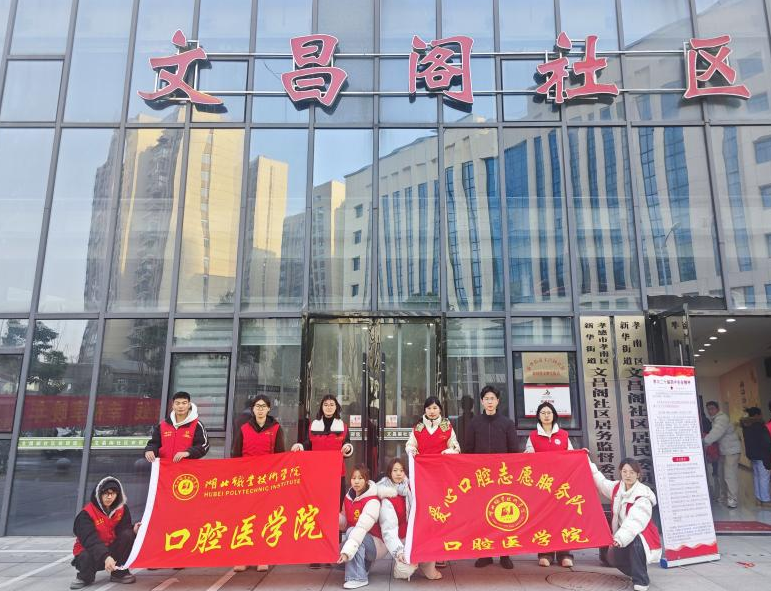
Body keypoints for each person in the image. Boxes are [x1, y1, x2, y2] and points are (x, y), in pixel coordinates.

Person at [464, 385, 517, 569]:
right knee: (482, 515)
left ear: (498, 401)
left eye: (492, 398)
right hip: (481, 478)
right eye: (486, 398)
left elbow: (514, 451)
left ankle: (505, 554)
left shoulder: (507, 423)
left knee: (504, 514)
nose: (489, 402)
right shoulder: (474, 423)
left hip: (502, 477)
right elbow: (468, 449)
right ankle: (485, 554)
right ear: (481, 401)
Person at [231, 395, 285, 572]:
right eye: (257, 406)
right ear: (252, 409)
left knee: (264, 519)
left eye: (263, 406)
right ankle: (244, 557)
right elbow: (236, 454)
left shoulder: (276, 428)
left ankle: (262, 556)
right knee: (245, 519)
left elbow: (280, 455)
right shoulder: (244, 428)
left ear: (269, 409)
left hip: (267, 482)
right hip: (247, 481)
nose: (260, 409)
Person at [590, 458, 661, 591]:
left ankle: (641, 579)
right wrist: (585, 459)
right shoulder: (618, 487)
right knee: (611, 557)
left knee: (635, 540)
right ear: (620, 472)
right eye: (625, 471)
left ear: (638, 474)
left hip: (639, 536)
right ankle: (630, 568)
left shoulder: (643, 496)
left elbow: (635, 521)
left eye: (632, 472)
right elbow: (600, 482)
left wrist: (619, 539)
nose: (628, 475)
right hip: (622, 535)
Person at [524, 401, 574, 568]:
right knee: (544, 518)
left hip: (561, 484)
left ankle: (564, 554)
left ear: (554, 415)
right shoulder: (533, 437)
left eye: (549, 412)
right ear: (538, 416)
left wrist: (582, 455)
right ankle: (545, 553)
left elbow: (572, 456)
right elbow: (529, 459)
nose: (546, 415)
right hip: (542, 485)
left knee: (563, 518)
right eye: (543, 413)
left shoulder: (564, 435)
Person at [377, 457, 441, 581]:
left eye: (401, 470)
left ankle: (427, 568)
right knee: (406, 569)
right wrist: (399, 552)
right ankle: (399, 570)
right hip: (400, 538)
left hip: (414, 535)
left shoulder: (410, 488)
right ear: (389, 473)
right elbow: (389, 530)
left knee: (430, 539)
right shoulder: (387, 496)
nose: (398, 473)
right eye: (395, 470)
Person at [70, 476, 140, 589]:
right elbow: (91, 541)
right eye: (105, 493)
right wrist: (106, 557)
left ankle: (119, 573)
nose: (109, 497)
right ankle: (85, 577)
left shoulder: (122, 510)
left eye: (113, 493)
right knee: (85, 556)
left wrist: (134, 530)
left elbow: (123, 531)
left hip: (110, 551)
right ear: (98, 494)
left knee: (128, 535)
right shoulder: (85, 515)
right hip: (91, 552)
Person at [338, 465, 394, 589]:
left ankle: (358, 578)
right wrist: (333, 518)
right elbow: (344, 523)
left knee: (352, 532)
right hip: (356, 539)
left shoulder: (372, 501)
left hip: (376, 544)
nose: (356, 481)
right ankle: (364, 566)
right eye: (354, 478)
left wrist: (347, 553)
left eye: (360, 478)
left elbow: (361, 529)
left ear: (366, 480)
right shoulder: (348, 498)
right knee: (333, 557)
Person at [144, 391, 210, 463]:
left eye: (184, 403)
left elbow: (204, 446)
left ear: (189, 405)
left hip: (186, 466)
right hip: (164, 465)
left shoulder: (197, 424)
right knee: (140, 464)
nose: (180, 406)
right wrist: (150, 450)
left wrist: (188, 453)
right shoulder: (163, 425)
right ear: (173, 406)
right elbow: (153, 443)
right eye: (177, 403)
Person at [702, 400, 741, 508]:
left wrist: (703, 442)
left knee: (729, 476)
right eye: (708, 409)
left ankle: (733, 500)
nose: (710, 411)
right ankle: (724, 497)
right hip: (724, 451)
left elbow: (716, 433)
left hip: (731, 451)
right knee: (722, 474)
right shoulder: (715, 419)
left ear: (717, 409)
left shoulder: (721, 418)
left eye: (712, 408)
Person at [740, 407, 771, 506]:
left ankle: (758, 499)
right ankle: (765, 500)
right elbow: (766, 442)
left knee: (757, 476)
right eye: (761, 414)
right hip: (762, 455)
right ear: (757, 415)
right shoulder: (759, 426)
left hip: (752, 455)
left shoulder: (746, 426)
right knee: (764, 477)